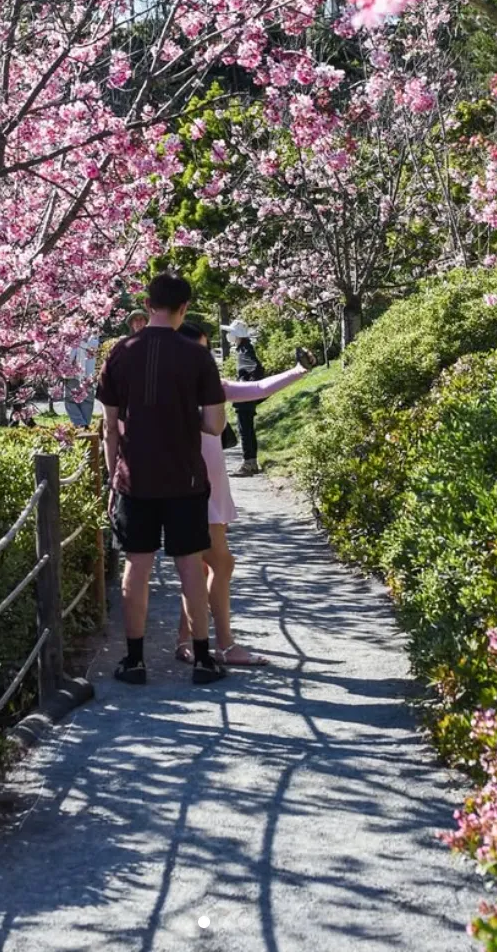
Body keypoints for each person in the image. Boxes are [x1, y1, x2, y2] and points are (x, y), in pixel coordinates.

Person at [97, 272, 228, 686]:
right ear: (184, 308)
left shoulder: (120, 352)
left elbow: (108, 425)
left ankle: (134, 660)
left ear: (148, 304)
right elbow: (215, 425)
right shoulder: (197, 356)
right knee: (190, 565)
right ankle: (204, 660)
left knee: (137, 565)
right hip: (185, 478)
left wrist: (112, 477)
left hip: (134, 478)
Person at [175, 322, 311, 667]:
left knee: (204, 567)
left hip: (213, 489)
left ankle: (189, 640)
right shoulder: (174, 392)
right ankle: (221, 644)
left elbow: (258, 387)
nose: (205, 357)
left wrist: (298, 370)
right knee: (217, 563)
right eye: (198, 350)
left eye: (206, 350)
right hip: (192, 488)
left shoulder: (211, 388)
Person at [223, 318, 264, 475]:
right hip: (246, 396)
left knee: (245, 430)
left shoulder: (245, 350)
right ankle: (251, 462)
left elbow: (255, 368)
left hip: (245, 397)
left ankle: (249, 464)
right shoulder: (244, 348)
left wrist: (245, 384)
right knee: (247, 429)